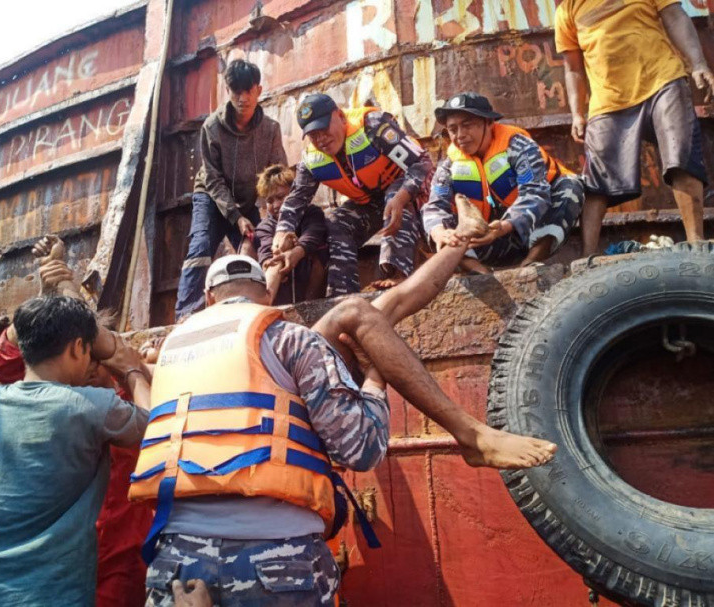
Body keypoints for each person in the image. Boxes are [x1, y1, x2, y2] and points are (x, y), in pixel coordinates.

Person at [136, 253, 557, 606]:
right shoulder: (291, 340)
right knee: (366, 313)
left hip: (176, 565)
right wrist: (374, 383)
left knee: (369, 312)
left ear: (208, 299)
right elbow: (362, 451)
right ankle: (473, 435)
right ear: (267, 295)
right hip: (275, 561)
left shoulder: (167, 358)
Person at [0, 295, 151, 606]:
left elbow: (14, 355)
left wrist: (58, 308)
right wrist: (131, 368)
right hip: (44, 593)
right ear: (77, 348)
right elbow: (159, 423)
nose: (91, 366)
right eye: (90, 353)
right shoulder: (92, 407)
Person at [0, 235, 153, 607]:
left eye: (96, 359)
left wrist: (134, 370)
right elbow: (6, 362)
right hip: (62, 557)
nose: (88, 369)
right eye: (81, 355)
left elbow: (155, 431)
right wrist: (50, 295)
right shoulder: (61, 397)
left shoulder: (119, 399)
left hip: (122, 555)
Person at [556, 0, 713, 256]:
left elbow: (674, 16)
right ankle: (587, 258)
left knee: (681, 158)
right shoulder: (567, 10)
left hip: (663, 79)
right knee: (596, 181)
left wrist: (698, 63)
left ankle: (696, 242)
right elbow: (572, 67)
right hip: (608, 99)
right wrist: (576, 114)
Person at [272, 93, 432, 295]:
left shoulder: (373, 126)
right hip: (369, 204)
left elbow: (422, 162)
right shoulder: (312, 159)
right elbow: (296, 199)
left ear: (340, 116)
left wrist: (403, 195)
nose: (321, 139)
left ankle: (396, 272)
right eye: (313, 135)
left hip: (408, 192)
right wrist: (282, 229)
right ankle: (343, 292)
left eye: (324, 129)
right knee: (335, 221)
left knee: (393, 197)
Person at [423, 92, 584, 274]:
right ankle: (481, 273)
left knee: (571, 185)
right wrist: (438, 232)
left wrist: (504, 227)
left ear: (489, 123)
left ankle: (531, 262)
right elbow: (434, 206)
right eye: (452, 129)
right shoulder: (449, 166)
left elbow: (535, 193)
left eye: (467, 126)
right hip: (488, 243)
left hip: (528, 232)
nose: (460, 135)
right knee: (434, 225)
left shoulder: (519, 147)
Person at [175, 58, 287, 319]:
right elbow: (212, 178)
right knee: (200, 246)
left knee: (261, 249)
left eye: (248, 91)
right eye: (236, 91)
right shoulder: (211, 127)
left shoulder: (271, 130)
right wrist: (236, 217)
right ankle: (185, 315)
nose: (243, 98)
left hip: (249, 201)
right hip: (211, 198)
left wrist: (276, 214)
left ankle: (255, 309)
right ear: (228, 91)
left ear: (258, 90)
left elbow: (277, 175)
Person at [256, 164, 328, 304]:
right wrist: (279, 254)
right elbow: (266, 251)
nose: (276, 205)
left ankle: (310, 306)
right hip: (281, 282)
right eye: (270, 201)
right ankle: (266, 303)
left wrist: (296, 251)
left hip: (308, 279)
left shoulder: (311, 213)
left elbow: (312, 235)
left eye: (280, 197)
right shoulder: (264, 227)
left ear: (293, 194)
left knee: (319, 252)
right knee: (275, 258)